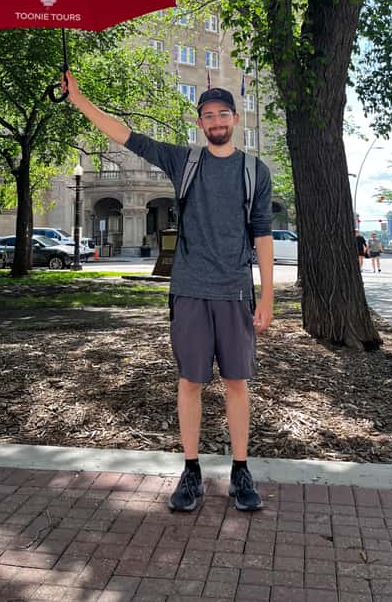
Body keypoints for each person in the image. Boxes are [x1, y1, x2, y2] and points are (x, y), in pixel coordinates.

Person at [62, 75, 274, 512]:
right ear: (200, 123)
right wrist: (80, 100)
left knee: (237, 382)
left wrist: (267, 295)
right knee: (190, 381)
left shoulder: (255, 170)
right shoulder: (185, 161)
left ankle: (240, 470)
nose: (216, 121)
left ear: (234, 119)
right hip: (190, 290)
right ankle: (191, 471)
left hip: (235, 292)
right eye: (208, 115)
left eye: (222, 114)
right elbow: (128, 136)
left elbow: (263, 235)